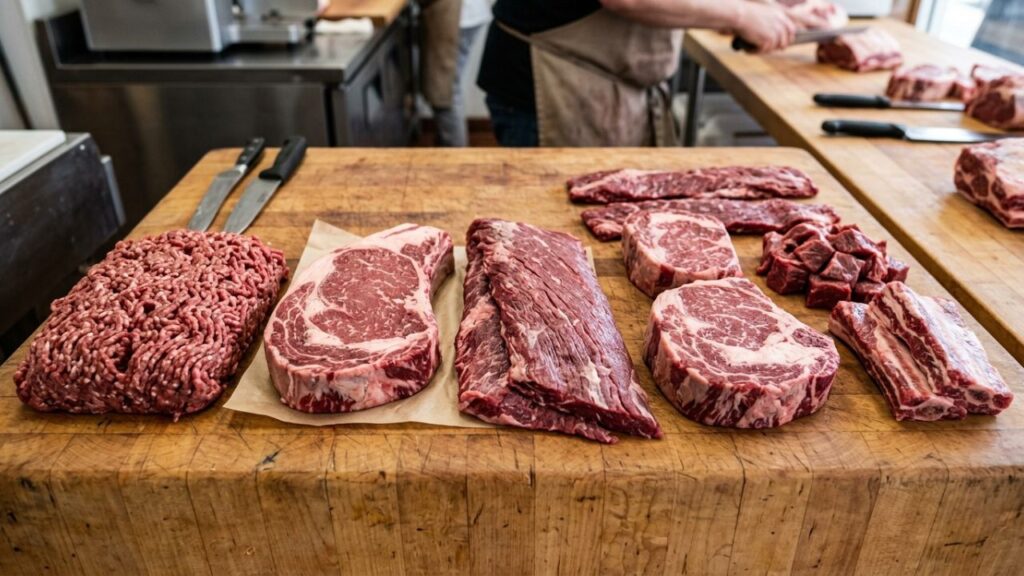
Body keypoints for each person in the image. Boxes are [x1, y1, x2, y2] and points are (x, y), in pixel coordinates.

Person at [477, 0, 826, 147]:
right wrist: (738, 15)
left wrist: (762, 6)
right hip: (552, 87)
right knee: (553, 253)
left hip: (608, 87)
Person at [420, 0, 493, 147]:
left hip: (456, 14)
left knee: (444, 91)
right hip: (464, 12)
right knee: (448, 88)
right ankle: (449, 150)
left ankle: (456, 157)